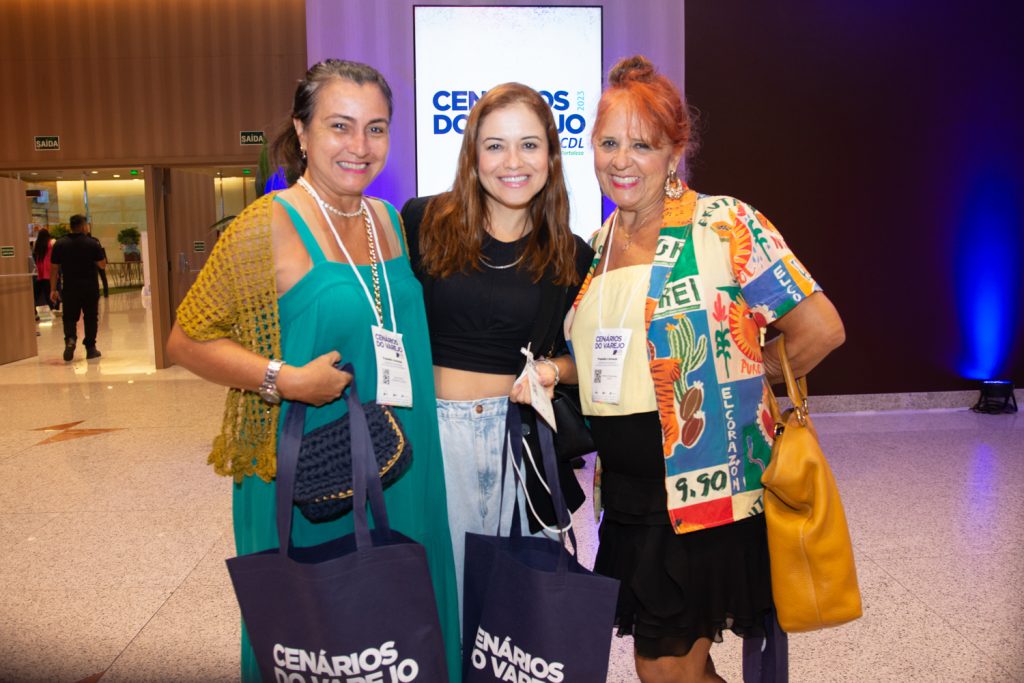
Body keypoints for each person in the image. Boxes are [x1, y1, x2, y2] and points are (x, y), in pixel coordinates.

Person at [165, 59, 461, 681]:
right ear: (301, 132)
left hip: (404, 454)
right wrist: (286, 378)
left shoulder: (386, 221)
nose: (360, 146)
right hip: (312, 469)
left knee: (408, 628)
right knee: (324, 640)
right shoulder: (266, 226)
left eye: (376, 128)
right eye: (340, 126)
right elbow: (186, 340)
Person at [565, 56, 845, 682]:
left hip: (705, 493)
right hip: (628, 498)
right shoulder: (596, 244)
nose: (621, 160)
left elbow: (821, 329)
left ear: (675, 150)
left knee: (663, 671)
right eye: (609, 142)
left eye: (642, 144)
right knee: (683, 668)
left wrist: (743, 376)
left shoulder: (724, 223)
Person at [401, 82, 593, 615]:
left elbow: (594, 363)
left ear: (552, 156)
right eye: (495, 145)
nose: (514, 161)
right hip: (433, 439)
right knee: (438, 609)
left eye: (529, 145)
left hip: (521, 441)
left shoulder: (570, 254)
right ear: (473, 155)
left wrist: (552, 369)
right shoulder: (422, 222)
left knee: (516, 619)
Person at [51, 215, 106, 361]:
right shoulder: (92, 243)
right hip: (89, 288)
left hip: (69, 288)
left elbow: (54, 268)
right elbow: (102, 265)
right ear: (83, 226)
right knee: (90, 317)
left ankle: (70, 339)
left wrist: (53, 289)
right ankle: (90, 348)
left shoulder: (60, 244)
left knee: (69, 317)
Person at [32, 228, 54, 311]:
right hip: (49, 271)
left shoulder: (36, 244)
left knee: (36, 293)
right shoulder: (50, 243)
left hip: (39, 271)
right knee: (49, 292)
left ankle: (33, 309)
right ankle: (53, 309)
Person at [85, 224, 109, 298]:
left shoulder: (87, 242)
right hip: (100, 260)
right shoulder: (96, 240)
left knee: (95, 278)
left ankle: (97, 292)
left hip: (93, 262)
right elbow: (101, 249)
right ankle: (106, 292)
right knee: (103, 277)